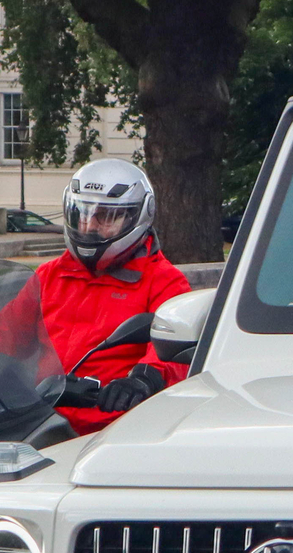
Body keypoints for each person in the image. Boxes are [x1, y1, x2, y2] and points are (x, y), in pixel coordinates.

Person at [38, 158, 193, 434]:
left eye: (107, 217)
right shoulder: (48, 276)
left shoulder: (163, 282)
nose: (90, 226)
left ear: (138, 215)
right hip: (35, 420)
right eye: (82, 215)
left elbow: (176, 351)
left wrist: (143, 379)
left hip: (109, 428)